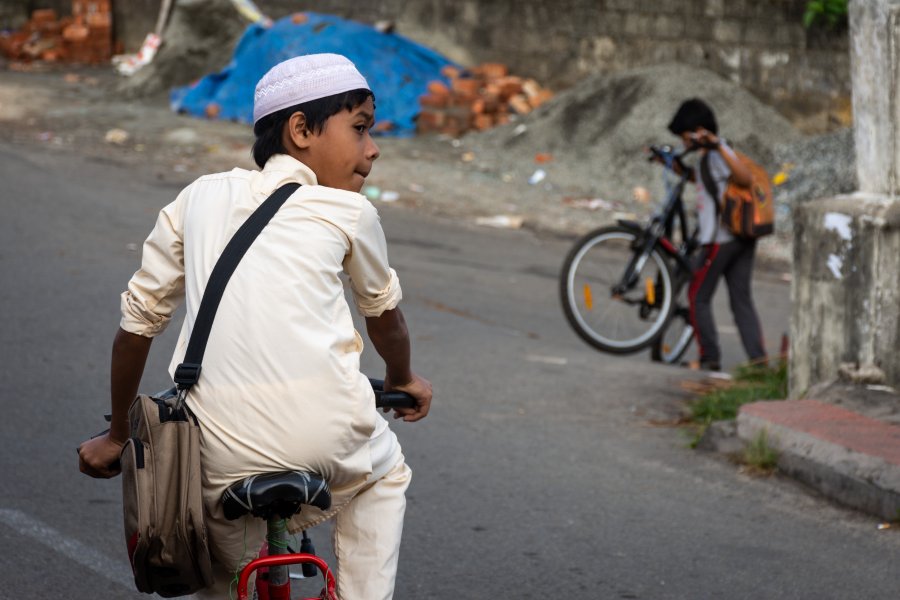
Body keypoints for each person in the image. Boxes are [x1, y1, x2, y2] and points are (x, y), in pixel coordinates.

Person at [77, 53, 433, 600]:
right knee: (386, 473)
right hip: (327, 438)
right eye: (360, 127)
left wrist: (119, 437)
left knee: (223, 580)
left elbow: (136, 327)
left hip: (213, 456)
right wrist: (405, 379)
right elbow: (386, 322)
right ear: (300, 130)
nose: (372, 148)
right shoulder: (348, 212)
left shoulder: (197, 197)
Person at [666, 98, 767, 372]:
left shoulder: (718, 153)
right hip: (738, 239)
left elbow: (745, 179)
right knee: (740, 299)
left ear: (699, 131)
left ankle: (710, 357)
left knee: (697, 295)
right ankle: (758, 362)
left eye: (686, 136)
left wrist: (718, 144)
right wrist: (676, 168)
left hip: (721, 239)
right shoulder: (707, 159)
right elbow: (705, 181)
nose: (684, 142)